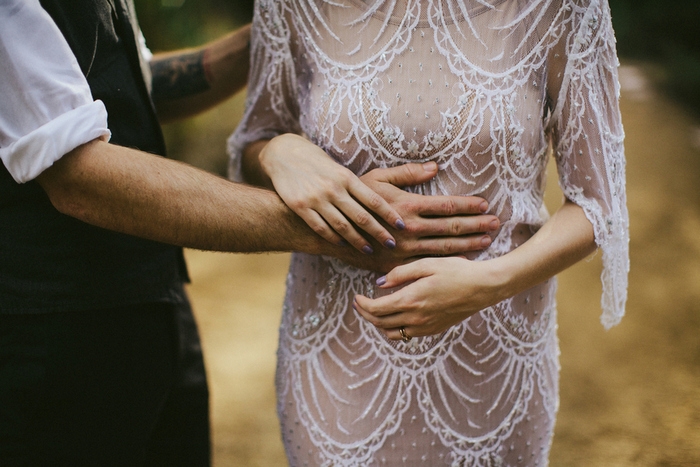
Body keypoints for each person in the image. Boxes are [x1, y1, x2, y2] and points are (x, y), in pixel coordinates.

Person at [0, 1, 498, 465]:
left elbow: (121, 85)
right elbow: (77, 174)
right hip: (45, 333)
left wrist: (295, 18)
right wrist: (345, 229)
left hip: (150, 304)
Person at [230, 0, 629, 465]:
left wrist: (488, 283)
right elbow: (252, 142)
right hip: (340, 362)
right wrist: (279, 150)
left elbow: (597, 204)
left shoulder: (567, 8)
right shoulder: (292, 6)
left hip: (491, 365)